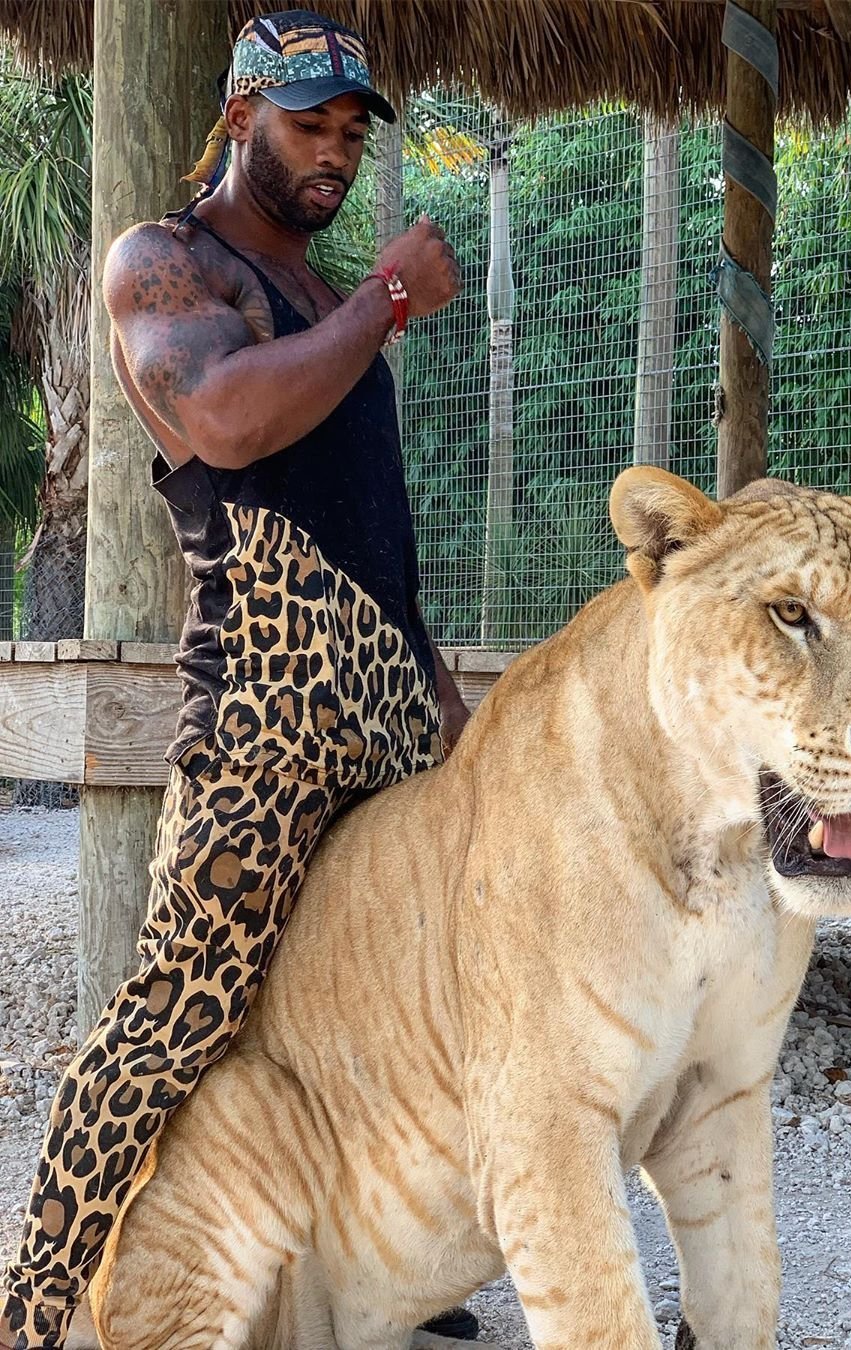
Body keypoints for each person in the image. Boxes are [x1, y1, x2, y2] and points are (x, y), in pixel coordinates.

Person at [1, 9, 479, 1347]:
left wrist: (443, 698)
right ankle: (33, 1303)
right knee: (174, 1012)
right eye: (306, 123)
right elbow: (225, 418)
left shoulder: (326, 303)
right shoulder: (164, 263)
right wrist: (389, 300)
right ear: (237, 118)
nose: (333, 153)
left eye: (351, 133)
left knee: (391, 994)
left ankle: (391, 1270)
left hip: (391, 700)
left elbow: (371, 521)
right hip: (268, 709)